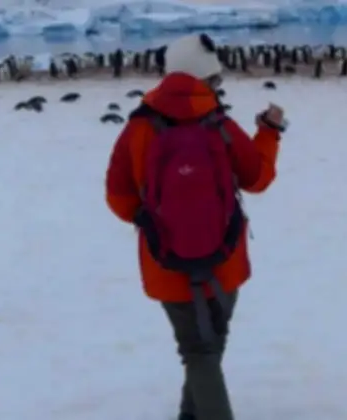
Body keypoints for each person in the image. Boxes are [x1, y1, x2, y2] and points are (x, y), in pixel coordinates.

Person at [104, 33, 284, 420]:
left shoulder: (139, 128)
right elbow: (258, 179)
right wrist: (269, 132)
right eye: (216, 79)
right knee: (205, 350)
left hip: (165, 261)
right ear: (206, 78)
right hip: (225, 259)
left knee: (201, 350)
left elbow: (118, 196)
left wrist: (149, 222)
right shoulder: (220, 124)